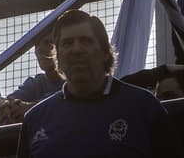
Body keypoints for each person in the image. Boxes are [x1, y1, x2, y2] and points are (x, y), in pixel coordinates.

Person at [16, 9, 182, 156]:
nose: (76, 49)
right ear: (57, 57)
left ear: (105, 53)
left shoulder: (145, 108)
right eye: (67, 43)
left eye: (85, 41)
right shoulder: (35, 120)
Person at [0, 36, 63, 123]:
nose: (39, 49)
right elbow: (12, 98)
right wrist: (2, 104)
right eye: (37, 45)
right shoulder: (36, 82)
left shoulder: (71, 83)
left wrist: (29, 108)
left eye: (48, 43)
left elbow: (61, 100)